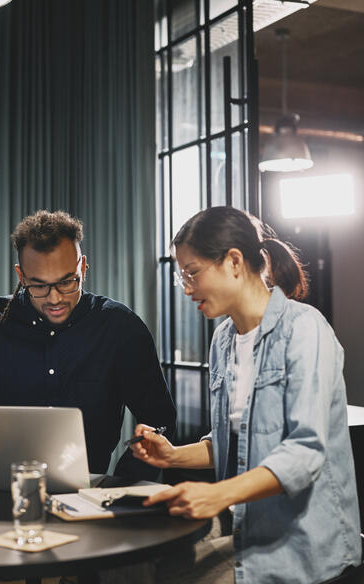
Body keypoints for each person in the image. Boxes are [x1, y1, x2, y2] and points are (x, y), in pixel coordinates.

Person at [131, 206, 361, 583]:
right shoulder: (223, 340)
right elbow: (230, 443)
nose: (186, 288)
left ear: (234, 262)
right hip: (246, 532)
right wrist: (172, 456)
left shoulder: (305, 330)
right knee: (135, 565)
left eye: (192, 273)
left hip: (303, 549)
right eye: (181, 276)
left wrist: (218, 495)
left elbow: (305, 453)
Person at [0, 210, 176, 480]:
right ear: (21, 276)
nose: (55, 298)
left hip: (91, 493)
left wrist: (121, 486)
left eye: (67, 282)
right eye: (39, 286)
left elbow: (159, 420)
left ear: (83, 267)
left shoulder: (121, 328)